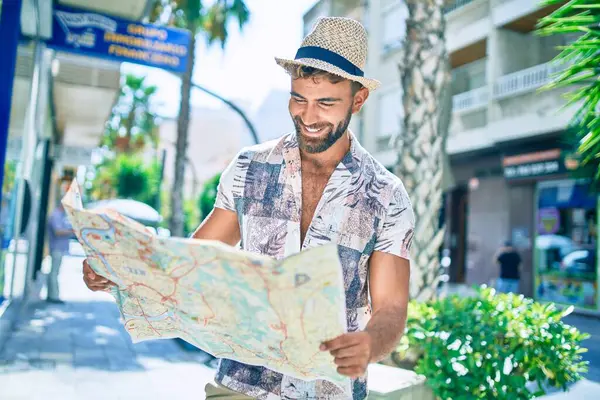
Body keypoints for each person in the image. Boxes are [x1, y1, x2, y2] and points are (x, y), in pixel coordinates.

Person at [82, 17, 415, 400]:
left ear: (358, 99)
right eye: (299, 98)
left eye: (326, 103)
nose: (308, 117)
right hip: (238, 385)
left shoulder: (386, 194)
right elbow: (193, 263)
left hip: (327, 391)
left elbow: (391, 306)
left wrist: (369, 345)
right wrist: (120, 269)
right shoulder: (247, 167)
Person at [47, 201, 73, 303]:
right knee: (54, 273)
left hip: (59, 248)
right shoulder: (56, 215)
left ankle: (52, 295)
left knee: (55, 272)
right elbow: (57, 232)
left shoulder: (61, 215)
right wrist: (72, 231)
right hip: (56, 247)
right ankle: (53, 296)